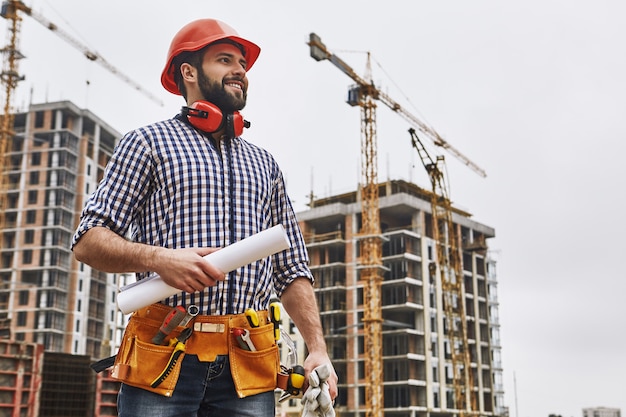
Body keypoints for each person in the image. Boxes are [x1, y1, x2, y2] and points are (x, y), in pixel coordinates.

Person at [72, 18, 337, 417]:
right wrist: (161, 259)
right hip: (164, 358)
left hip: (247, 362)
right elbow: (88, 240)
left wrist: (317, 348)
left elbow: (291, 267)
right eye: (225, 60)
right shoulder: (147, 144)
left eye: (243, 65)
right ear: (189, 72)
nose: (240, 72)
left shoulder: (264, 165)